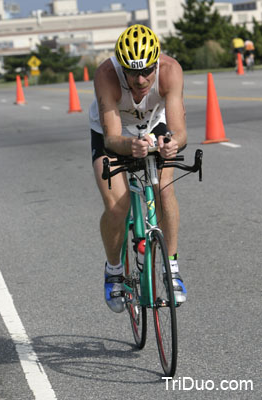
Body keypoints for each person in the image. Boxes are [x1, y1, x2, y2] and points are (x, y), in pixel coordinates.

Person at [89, 24, 187, 313]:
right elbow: (111, 138)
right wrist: (130, 145)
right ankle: (114, 271)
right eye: (133, 73)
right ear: (122, 67)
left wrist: (172, 144)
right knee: (117, 207)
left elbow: (180, 132)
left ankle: (172, 269)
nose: (142, 79)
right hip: (114, 134)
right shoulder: (106, 75)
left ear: (157, 63)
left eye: (147, 71)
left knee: (163, 191)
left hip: (155, 127)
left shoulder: (171, 70)